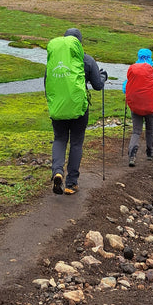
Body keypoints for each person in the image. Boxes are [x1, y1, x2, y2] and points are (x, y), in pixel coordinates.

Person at [44, 27, 106, 195]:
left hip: (58, 108)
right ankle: (71, 183)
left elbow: (47, 84)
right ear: (79, 42)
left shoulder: (53, 61)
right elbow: (98, 86)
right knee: (76, 143)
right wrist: (103, 76)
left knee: (59, 139)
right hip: (79, 109)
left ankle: (57, 171)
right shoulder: (86, 60)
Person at [122, 48, 153, 166]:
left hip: (135, 106)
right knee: (150, 130)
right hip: (150, 107)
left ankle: (132, 156)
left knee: (136, 131)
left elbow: (125, 88)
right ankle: (150, 153)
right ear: (149, 57)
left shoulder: (133, 70)